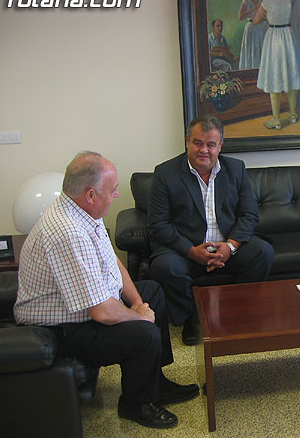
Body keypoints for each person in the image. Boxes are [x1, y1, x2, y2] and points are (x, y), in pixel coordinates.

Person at [14, 151, 199, 429]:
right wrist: (139, 317)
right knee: (144, 332)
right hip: (61, 329)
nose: (116, 195)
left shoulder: (84, 211)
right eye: (112, 191)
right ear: (90, 194)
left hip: (83, 310)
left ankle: (155, 383)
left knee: (152, 293)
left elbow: (112, 262)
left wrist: (138, 303)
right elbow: (101, 311)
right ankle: (136, 404)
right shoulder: (68, 232)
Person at [148, 114, 274, 346]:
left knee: (262, 252)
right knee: (165, 267)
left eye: (210, 144)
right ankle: (192, 319)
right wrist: (190, 251)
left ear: (220, 146)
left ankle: (236, 311)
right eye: (197, 142)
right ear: (187, 141)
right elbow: (158, 224)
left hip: (226, 247)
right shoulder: (165, 173)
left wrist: (231, 246)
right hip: (185, 250)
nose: (203, 150)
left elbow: (249, 214)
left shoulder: (235, 169)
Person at [253, 0, 300, 130]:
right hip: (288, 37)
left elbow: (255, 20)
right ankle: (293, 114)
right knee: (291, 75)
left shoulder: (267, 1)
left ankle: (276, 119)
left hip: (274, 38)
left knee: (274, 76)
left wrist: (267, 17)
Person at [238, 0, 268, 69]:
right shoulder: (246, 1)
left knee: (262, 49)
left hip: (262, 27)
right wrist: (255, 8)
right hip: (251, 27)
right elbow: (240, 17)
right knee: (252, 50)